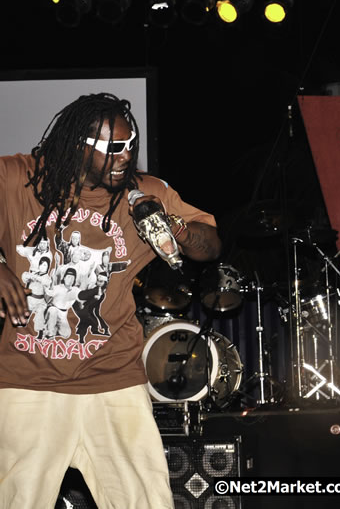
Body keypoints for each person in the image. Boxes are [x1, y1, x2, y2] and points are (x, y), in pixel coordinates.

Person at [0, 93, 222, 508]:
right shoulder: (17, 178)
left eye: (131, 145)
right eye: (114, 147)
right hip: (30, 380)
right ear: (77, 144)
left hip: (113, 379)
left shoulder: (142, 193)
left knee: (147, 502)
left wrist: (174, 227)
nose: (126, 156)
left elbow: (210, 246)